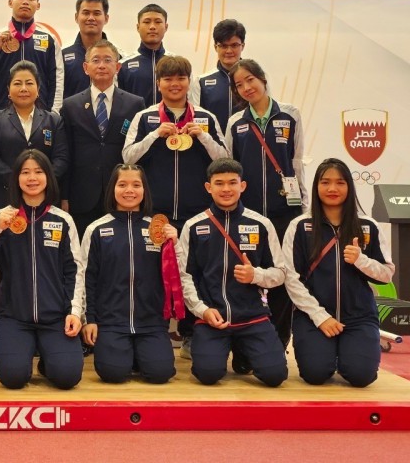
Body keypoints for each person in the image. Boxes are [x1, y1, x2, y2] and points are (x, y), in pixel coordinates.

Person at [123, 55, 227, 358]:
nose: (175, 84)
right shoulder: (145, 117)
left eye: (180, 78)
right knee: (153, 273)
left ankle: (191, 333)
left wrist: (203, 137)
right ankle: (153, 330)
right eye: (168, 79)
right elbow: (127, 157)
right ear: (159, 84)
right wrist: (155, 135)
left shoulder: (205, 118)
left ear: (188, 82)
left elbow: (225, 159)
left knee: (195, 272)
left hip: (198, 213)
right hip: (156, 213)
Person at [282, 158, 395, 387]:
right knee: (315, 374)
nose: (332, 188)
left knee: (361, 376)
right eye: (325, 182)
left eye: (340, 182)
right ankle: (327, 354)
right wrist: (320, 316)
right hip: (313, 317)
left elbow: (386, 274)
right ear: (316, 186)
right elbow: (291, 278)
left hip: (359, 317)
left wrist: (361, 260)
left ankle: (350, 355)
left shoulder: (368, 226)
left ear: (349, 187)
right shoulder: (300, 226)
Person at [178, 158, 289, 387]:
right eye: (219, 183)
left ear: (243, 186)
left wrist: (255, 276)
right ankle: (225, 348)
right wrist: (203, 310)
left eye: (232, 182)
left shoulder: (262, 224)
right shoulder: (193, 226)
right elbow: (185, 277)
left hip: (253, 317)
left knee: (275, 376)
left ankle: (242, 350)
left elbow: (280, 273)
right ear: (208, 187)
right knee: (207, 374)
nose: (226, 189)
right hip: (213, 318)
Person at [0, 150, 85, 390]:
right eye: (25, 172)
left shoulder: (63, 220)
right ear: (16, 178)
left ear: (48, 176)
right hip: (14, 316)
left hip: (55, 316)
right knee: (13, 377)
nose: (32, 178)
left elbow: (75, 270)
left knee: (68, 377)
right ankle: (24, 356)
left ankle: (49, 361)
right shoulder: (3, 217)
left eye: (38, 172)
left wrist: (74, 312)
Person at [225, 58, 307, 352]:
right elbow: (231, 168)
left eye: (250, 80)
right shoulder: (235, 122)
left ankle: (279, 340)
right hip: (248, 215)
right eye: (239, 84)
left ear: (262, 79)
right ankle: (247, 344)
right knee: (247, 275)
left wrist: (304, 207)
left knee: (281, 277)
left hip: (285, 211)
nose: (247, 87)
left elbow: (297, 162)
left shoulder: (290, 114)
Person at [81, 164, 179, 384]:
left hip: (151, 322)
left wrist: (176, 243)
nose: (129, 190)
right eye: (122, 184)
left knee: (160, 373)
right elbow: (87, 278)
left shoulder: (159, 230)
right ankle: (129, 356)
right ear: (112, 189)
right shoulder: (96, 229)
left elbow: (176, 274)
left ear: (145, 190)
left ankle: (139, 355)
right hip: (111, 322)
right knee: (112, 373)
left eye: (136, 185)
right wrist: (90, 319)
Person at [60, 40, 145, 237]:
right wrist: (64, 196)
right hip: (82, 194)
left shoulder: (135, 104)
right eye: (96, 60)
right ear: (85, 67)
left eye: (108, 60)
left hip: (121, 193)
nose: (101, 65)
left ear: (118, 67)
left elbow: (138, 152)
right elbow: (66, 153)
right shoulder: (70, 105)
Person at [0, 61, 69, 212]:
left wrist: (41, 180)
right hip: (5, 197)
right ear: (9, 90)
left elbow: (61, 158)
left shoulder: (54, 121)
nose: (23, 88)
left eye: (29, 83)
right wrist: (18, 179)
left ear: (38, 89)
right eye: (17, 83)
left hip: (45, 197)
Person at [189, 19, 247, 133]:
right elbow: (195, 117)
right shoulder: (201, 81)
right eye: (224, 46)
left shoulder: (256, 78)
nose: (229, 51)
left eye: (234, 45)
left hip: (246, 141)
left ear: (242, 46)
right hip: (212, 142)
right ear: (216, 47)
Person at [117, 4, 173, 106]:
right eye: (147, 22)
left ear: (166, 27)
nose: (152, 27)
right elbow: (117, 104)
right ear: (138, 27)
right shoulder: (122, 66)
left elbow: (189, 104)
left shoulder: (178, 64)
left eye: (158, 22)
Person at [62, 0, 111, 99]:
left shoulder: (119, 57)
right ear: (76, 17)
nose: (91, 18)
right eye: (86, 13)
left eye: (96, 13)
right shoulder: (61, 57)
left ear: (106, 18)